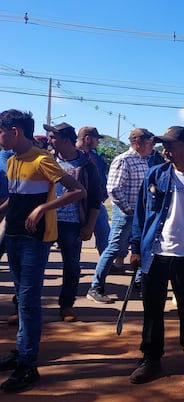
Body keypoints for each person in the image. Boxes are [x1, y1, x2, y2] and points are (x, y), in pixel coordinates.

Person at [0, 109, 85, 392]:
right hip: (12, 236)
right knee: (21, 299)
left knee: (28, 300)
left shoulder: (42, 159)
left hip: (34, 240)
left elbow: (77, 191)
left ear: (15, 132)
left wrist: (43, 208)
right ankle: (22, 352)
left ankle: (28, 364)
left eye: (1, 132)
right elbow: (14, 199)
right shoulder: (12, 160)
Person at [128, 126, 184, 386]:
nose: (165, 150)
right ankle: (150, 359)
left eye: (170, 145)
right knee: (152, 310)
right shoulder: (155, 174)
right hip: (155, 253)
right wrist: (136, 247)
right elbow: (141, 214)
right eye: (164, 145)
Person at [89, 128, 158, 303]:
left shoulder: (144, 161)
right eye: (151, 142)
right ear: (139, 142)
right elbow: (113, 188)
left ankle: (138, 282)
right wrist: (127, 209)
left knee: (143, 248)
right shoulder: (123, 160)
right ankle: (95, 287)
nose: (153, 146)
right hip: (125, 214)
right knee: (113, 248)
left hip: (140, 214)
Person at [44, 122, 102, 322]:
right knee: (34, 264)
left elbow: (95, 197)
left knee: (71, 265)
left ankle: (66, 305)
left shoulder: (86, 165)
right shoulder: (47, 160)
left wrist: (90, 225)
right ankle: (22, 305)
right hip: (46, 220)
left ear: (66, 140)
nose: (49, 141)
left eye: (53, 137)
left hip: (72, 223)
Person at [75, 126, 110, 256]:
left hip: (96, 202)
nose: (98, 142)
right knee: (75, 240)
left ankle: (105, 265)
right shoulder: (72, 154)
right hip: (77, 203)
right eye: (97, 139)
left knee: (104, 234)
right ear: (88, 138)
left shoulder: (94, 155)